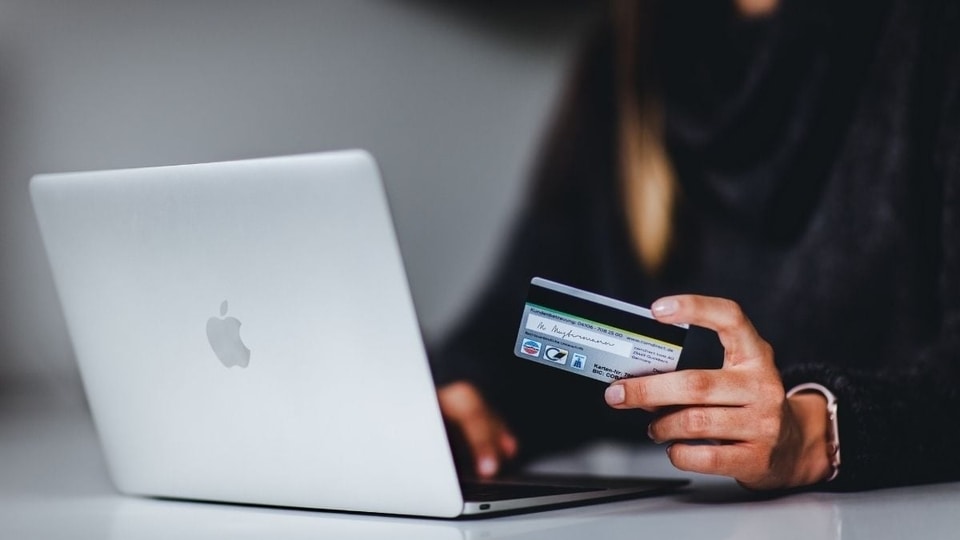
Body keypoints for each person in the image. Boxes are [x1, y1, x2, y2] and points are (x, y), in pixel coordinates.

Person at [430, 0, 960, 491]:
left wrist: (816, 433)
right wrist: (467, 399)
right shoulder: (629, 50)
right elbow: (511, 327)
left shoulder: (930, 31)